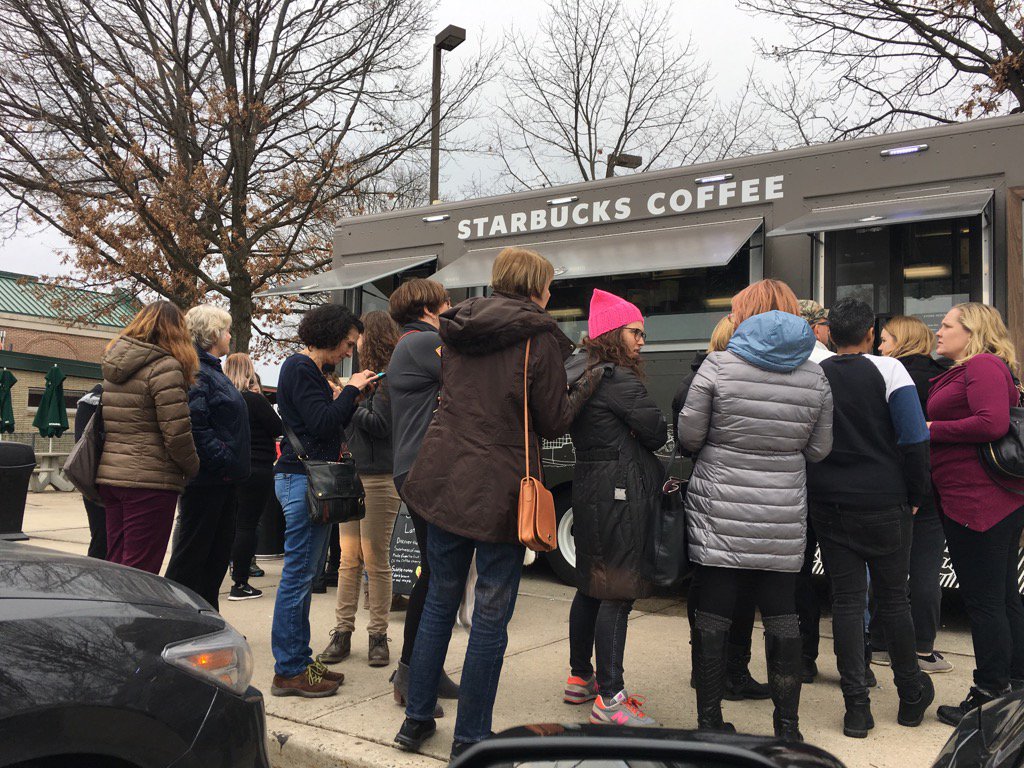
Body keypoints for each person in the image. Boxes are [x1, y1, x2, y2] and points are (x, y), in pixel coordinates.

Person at [394, 247, 578, 759]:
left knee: (438, 600)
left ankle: (414, 720)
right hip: (502, 486)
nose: (550, 293)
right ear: (535, 287)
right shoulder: (538, 338)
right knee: (491, 614)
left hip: (444, 475)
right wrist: (578, 385)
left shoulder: (455, 329)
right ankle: (471, 737)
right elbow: (553, 420)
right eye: (548, 284)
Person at [678, 278, 833, 741]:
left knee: (715, 612)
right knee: (783, 614)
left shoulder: (717, 366)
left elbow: (688, 437)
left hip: (720, 509)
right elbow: (820, 449)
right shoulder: (816, 375)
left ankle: (709, 722)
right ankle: (787, 729)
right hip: (783, 511)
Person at [806, 298, 934, 738]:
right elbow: (915, 438)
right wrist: (916, 494)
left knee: (845, 603)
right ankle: (910, 693)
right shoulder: (890, 371)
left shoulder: (815, 376)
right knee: (894, 600)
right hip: (885, 500)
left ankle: (856, 709)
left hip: (828, 501)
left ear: (829, 333)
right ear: (870, 334)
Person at [562, 289, 667, 726]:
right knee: (618, 589)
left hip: (588, 488)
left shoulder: (579, 373)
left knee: (591, 582)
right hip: (621, 492)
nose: (642, 341)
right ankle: (611, 698)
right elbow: (657, 431)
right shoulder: (619, 380)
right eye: (635, 332)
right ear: (612, 333)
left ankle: (579, 677)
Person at [270, 304, 378, 698]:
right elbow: (321, 424)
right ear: (332, 335)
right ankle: (289, 669)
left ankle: (298, 660)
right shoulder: (301, 368)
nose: (349, 352)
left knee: (303, 575)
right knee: (298, 577)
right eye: (348, 344)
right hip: (303, 480)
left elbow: (323, 421)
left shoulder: (307, 371)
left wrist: (347, 393)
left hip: (306, 481)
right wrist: (350, 391)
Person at [929, 303, 1024, 725]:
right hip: (985, 498)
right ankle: (1013, 687)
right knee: (1003, 598)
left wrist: (930, 429)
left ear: (972, 332)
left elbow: (991, 423)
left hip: (979, 501)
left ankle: (988, 694)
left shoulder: (983, 365)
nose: (938, 331)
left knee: (987, 603)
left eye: (947, 325)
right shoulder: (976, 367)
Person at [674, 316, 771, 703]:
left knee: (707, 587)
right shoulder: (729, 381)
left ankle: (708, 670)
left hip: (709, 493)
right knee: (736, 590)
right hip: (732, 497)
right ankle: (728, 671)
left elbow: (687, 441)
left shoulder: (693, 381)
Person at [386, 278, 459, 715]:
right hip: (423, 470)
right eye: (448, 302)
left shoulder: (410, 343)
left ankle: (420, 669)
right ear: (431, 306)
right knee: (436, 577)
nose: (451, 309)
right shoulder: (424, 341)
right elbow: (468, 376)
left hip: (416, 469)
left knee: (435, 572)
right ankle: (412, 677)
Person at [319, 311, 403, 668]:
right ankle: (342, 632)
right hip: (352, 476)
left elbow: (382, 426)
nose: (354, 344)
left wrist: (347, 402)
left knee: (375, 559)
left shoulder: (391, 381)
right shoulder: (362, 380)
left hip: (381, 478)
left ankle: (378, 635)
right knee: (347, 559)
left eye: (361, 337)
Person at [870, 316, 952, 673]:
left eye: (885, 340)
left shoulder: (883, 374)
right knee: (925, 568)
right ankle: (921, 648)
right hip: (933, 482)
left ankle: (879, 643)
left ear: (900, 342)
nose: (879, 347)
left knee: (886, 567)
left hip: (891, 484)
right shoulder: (942, 378)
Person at [96, 301, 201, 574]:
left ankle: (109, 616)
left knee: (116, 561)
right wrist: (192, 467)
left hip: (111, 474)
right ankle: (131, 618)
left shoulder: (114, 367)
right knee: (141, 569)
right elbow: (176, 431)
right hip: (150, 480)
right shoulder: (166, 367)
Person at [165, 306, 251, 611]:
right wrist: (224, 459)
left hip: (222, 480)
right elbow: (195, 424)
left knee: (214, 558)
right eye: (226, 330)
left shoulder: (212, 370)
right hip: (208, 481)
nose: (230, 335)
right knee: (192, 558)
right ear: (213, 334)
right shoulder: (197, 372)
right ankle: (177, 621)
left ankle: (208, 620)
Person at [795, 299, 835, 683]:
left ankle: (804, 657)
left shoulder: (787, 365)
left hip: (796, 485)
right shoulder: (829, 365)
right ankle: (853, 663)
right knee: (845, 576)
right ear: (815, 326)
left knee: (800, 574)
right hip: (833, 485)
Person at [224, 354, 282, 601]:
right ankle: (240, 581)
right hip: (257, 467)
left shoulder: (224, 399)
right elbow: (278, 428)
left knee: (233, 524)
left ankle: (228, 571)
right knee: (248, 525)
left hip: (230, 468)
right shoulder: (254, 401)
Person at [75, 383, 105, 559]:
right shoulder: (92, 400)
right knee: (102, 539)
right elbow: (82, 447)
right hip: (96, 482)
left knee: (104, 539)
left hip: (99, 480)